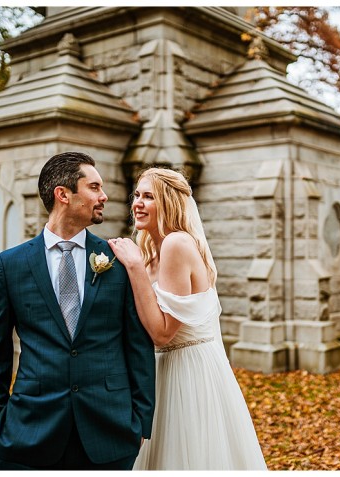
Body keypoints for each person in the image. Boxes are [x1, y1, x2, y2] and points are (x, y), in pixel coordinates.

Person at [0, 151, 156, 469]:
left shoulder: (119, 261)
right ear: (63, 195)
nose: (104, 196)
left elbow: (137, 345)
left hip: (110, 434)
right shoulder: (11, 265)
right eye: (94, 187)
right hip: (28, 433)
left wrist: (139, 422)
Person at [108, 167, 267, 470]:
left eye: (149, 197)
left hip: (189, 370)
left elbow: (163, 332)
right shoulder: (150, 250)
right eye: (137, 195)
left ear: (168, 203)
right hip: (159, 370)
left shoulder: (176, 244)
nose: (137, 203)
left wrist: (134, 269)